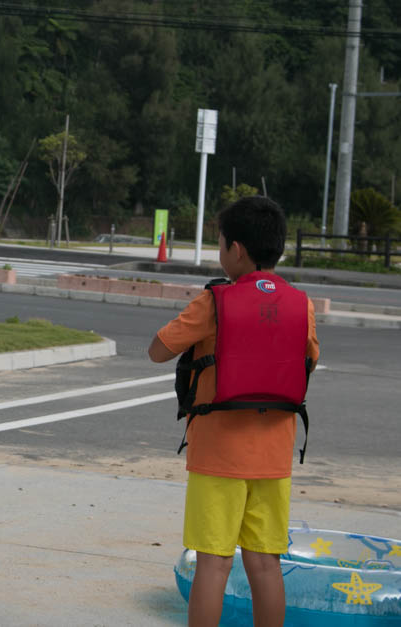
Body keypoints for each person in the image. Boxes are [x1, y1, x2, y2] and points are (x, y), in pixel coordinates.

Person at [148, 196, 320, 627]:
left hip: (217, 457)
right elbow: (309, 360)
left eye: (221, 243)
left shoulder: (214, 303)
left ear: (236, 250)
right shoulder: (303, 305)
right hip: (274, 459)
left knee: (214, 564)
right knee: (265, 564)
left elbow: (158, 351)